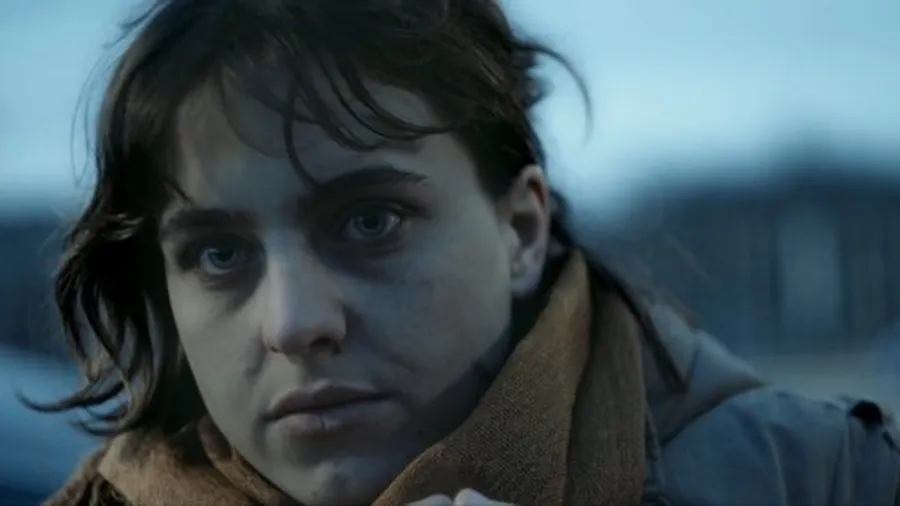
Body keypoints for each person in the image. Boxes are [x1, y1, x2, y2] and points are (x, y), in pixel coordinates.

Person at [34, 0, 900, 505]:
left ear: (521, 230)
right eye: (220, 255)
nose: (295, 324)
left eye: (370, 222)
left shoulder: (825, 479)